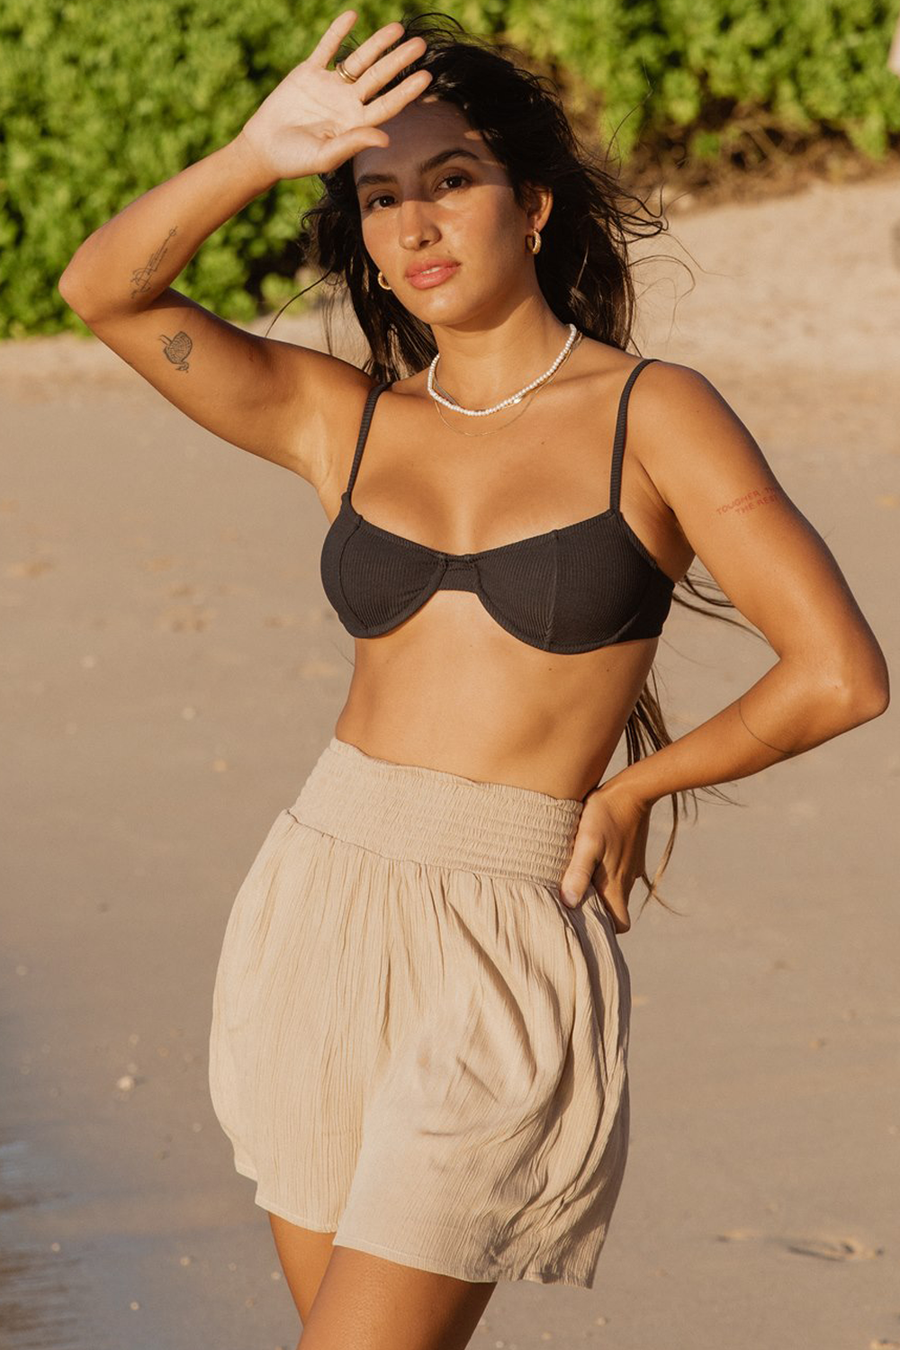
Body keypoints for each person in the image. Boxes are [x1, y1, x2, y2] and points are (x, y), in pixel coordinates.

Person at [58, 9, 890, 1348]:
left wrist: (635, 793)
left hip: (505, 928)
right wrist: (254, 155)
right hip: (321, 904)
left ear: (536, 204)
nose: (415, 225)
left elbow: (841, 671)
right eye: (380, 200)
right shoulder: (346, 420)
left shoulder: (652, 410)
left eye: (451, 180)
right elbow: (105, 293)